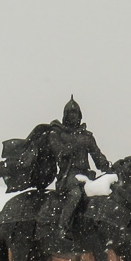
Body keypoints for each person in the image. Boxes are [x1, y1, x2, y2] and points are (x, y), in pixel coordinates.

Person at [52, 96, 111, 239]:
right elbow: (57, 152)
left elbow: (97, 156)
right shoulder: (58, 133)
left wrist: (108, 167)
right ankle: (62, 227)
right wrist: (69, 147)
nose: (73, 116)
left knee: (104, 196)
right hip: (68, 176)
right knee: (75, 194)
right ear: (65, 115)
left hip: (86, 176)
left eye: (75, 113)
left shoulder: (87, 137)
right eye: (70, 113)